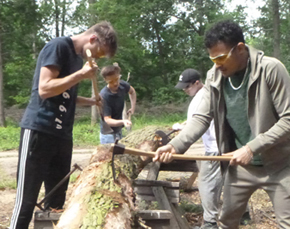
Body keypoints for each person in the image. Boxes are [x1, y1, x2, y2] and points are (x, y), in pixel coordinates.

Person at [153, 19, 290, 228]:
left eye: (221, 57)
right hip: (242, 167)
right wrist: (175, 145)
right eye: (212, 59)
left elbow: (288, 119)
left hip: (280, 165)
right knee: (227, 222)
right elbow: (201, 117)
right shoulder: (215, 76)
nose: (217, 64)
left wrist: (251, 148)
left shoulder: (271, 69)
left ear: (240, 49)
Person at [9, 21, 117, 229]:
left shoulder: (79, 59)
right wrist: (80, 75)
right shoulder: (58, 47)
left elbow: (65, 93)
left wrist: (90, 101)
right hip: (39, 130)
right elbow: (45, 88)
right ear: (92, 39)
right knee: (26, 201)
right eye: (98, 53)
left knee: (56, 204)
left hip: (62, 136)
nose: (95, 59)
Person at [173, 68, 222, 228]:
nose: (185, 90)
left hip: (215, 148)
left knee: (206, 184)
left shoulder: (200, 99)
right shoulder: (210, 93)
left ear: (197, 83)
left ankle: (210, 223)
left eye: (187, 87)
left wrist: (179, 137)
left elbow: (196, 125)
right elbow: (199, 120)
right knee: (232, 181)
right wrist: (184, 125)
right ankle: (244, 214)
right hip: (224, 145)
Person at [99, 64, 136, 144]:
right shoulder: (104, 96)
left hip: (118, 130)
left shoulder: (123, 85)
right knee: (109, 156)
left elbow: (132, 92)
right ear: (105, 80)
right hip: (108, 133)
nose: (115, 83)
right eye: (111, 81)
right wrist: (123, 122)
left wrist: (132, 107)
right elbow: (107, 120)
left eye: (117, 79)